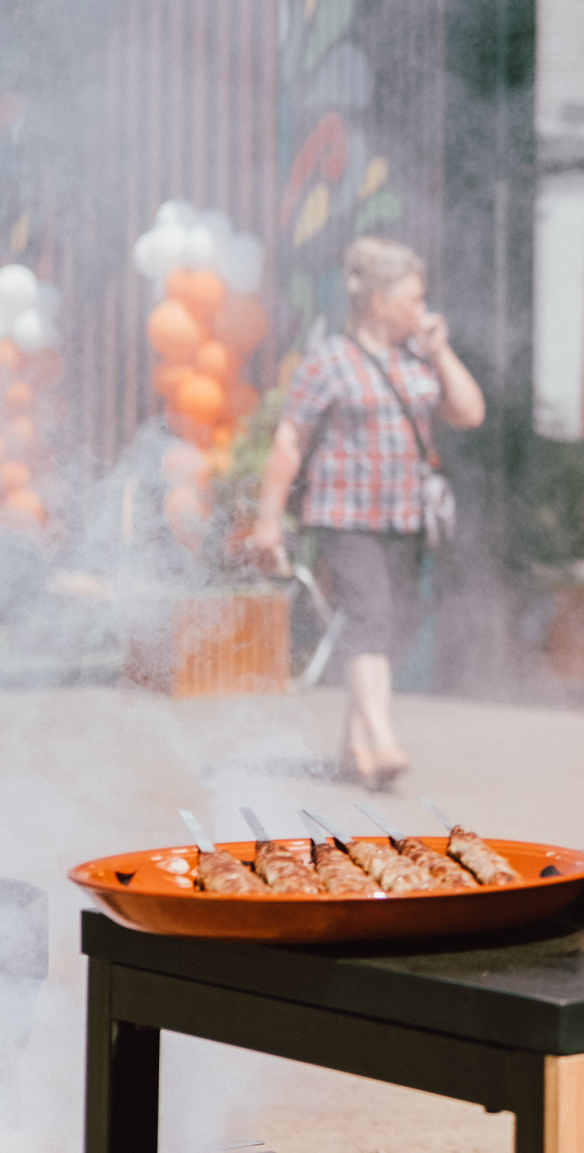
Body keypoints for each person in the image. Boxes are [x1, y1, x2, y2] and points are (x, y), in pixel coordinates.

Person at [251, 237, 485, 788]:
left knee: (392, 628)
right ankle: (381, 738)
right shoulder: (329, 359)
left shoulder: (416, 358)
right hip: (343, 514)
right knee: (370, 616)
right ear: (378, 302)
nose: (422, 309)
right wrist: (268, 518)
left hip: (403, 517)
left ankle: (352, 747)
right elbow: (290, 439)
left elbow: (470, 412)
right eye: (413, 299)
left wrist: (440, 349)